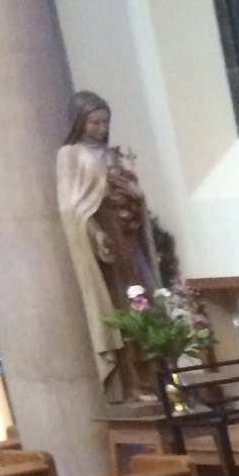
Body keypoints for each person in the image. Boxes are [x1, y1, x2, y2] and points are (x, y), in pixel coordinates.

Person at [57, 91, 160, 398]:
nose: (102, 129)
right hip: (105, 240)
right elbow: (70, 207)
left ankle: (154, 377)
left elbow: (131, 195)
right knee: (119, 305)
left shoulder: (111, 154)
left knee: (143, 300)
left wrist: (135, 195)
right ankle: (132, 383)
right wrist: (96, 232)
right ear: (79, 122)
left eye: (105, 122)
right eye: (95, 122)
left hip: (128, 236)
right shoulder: (70, 155)